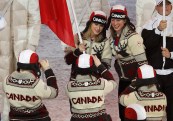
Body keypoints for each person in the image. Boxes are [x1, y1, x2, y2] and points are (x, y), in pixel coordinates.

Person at [0, 1, 41, 120]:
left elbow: (34, 19)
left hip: (22, 48)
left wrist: (30, 48)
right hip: (2, 47)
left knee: (21, 85)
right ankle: (6, 114)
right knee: (4, 82)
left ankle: (14, 115)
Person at [107, 4, 148, 120]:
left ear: (125, 20)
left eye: (118, 20)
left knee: (135, 116)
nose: (115, 23)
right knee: (123, 115)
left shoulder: (133, 38)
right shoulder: (114, 37)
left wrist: (135, 84)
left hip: (136, 83)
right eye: (113, 20)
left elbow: (144, 65)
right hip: (124, 81)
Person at [2, 49, 58, 121]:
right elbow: (54, 92)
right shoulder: (36, 84)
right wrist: (47, 70)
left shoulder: (6, 80)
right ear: (35, 66)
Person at [141, 0, 173, 120]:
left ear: (172, 6)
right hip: (154, 75)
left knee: (171, 110)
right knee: (153, 110)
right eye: (161, 4)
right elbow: (147, 46)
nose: (165, 7)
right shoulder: (149, 24)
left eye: (168, 4)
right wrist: (158, 30)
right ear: (156, 7)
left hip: (171, 75)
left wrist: (170, 55)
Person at [65, 53, 117, 121]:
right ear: (93, 67)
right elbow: (113, 83)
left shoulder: (69, 87)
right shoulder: (101, 84)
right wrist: (100, 66)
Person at [64, 10, 112, 80]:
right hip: (76, 81)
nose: (98, 28)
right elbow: (68, 61)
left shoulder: (105, 42)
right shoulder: (78, 37)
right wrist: (78, 51)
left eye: (101, 25)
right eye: (96, 24)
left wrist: (92, 66)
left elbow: (106, 66)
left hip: (95, 82)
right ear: (90, 23)